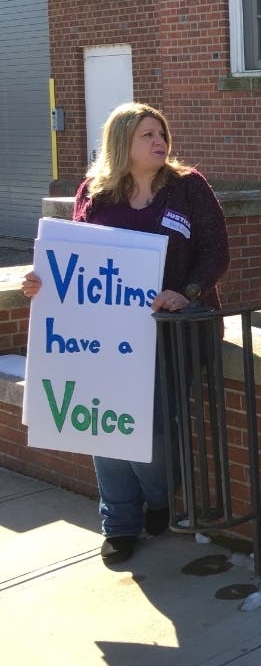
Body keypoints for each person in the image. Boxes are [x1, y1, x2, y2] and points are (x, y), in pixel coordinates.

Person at [21, 102, 230, 565]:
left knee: (151, 431)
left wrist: (185, 292)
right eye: (147, 135)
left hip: (174, 330)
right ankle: (118, 524)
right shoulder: (95, 193)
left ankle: (159, 498)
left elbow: (216, 253)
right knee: (104, 426)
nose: (160, 141)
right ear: (122, 142)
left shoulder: (189, 187)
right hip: (106, 336)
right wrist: (43, 282)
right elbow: (73, 258)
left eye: (162, 133)